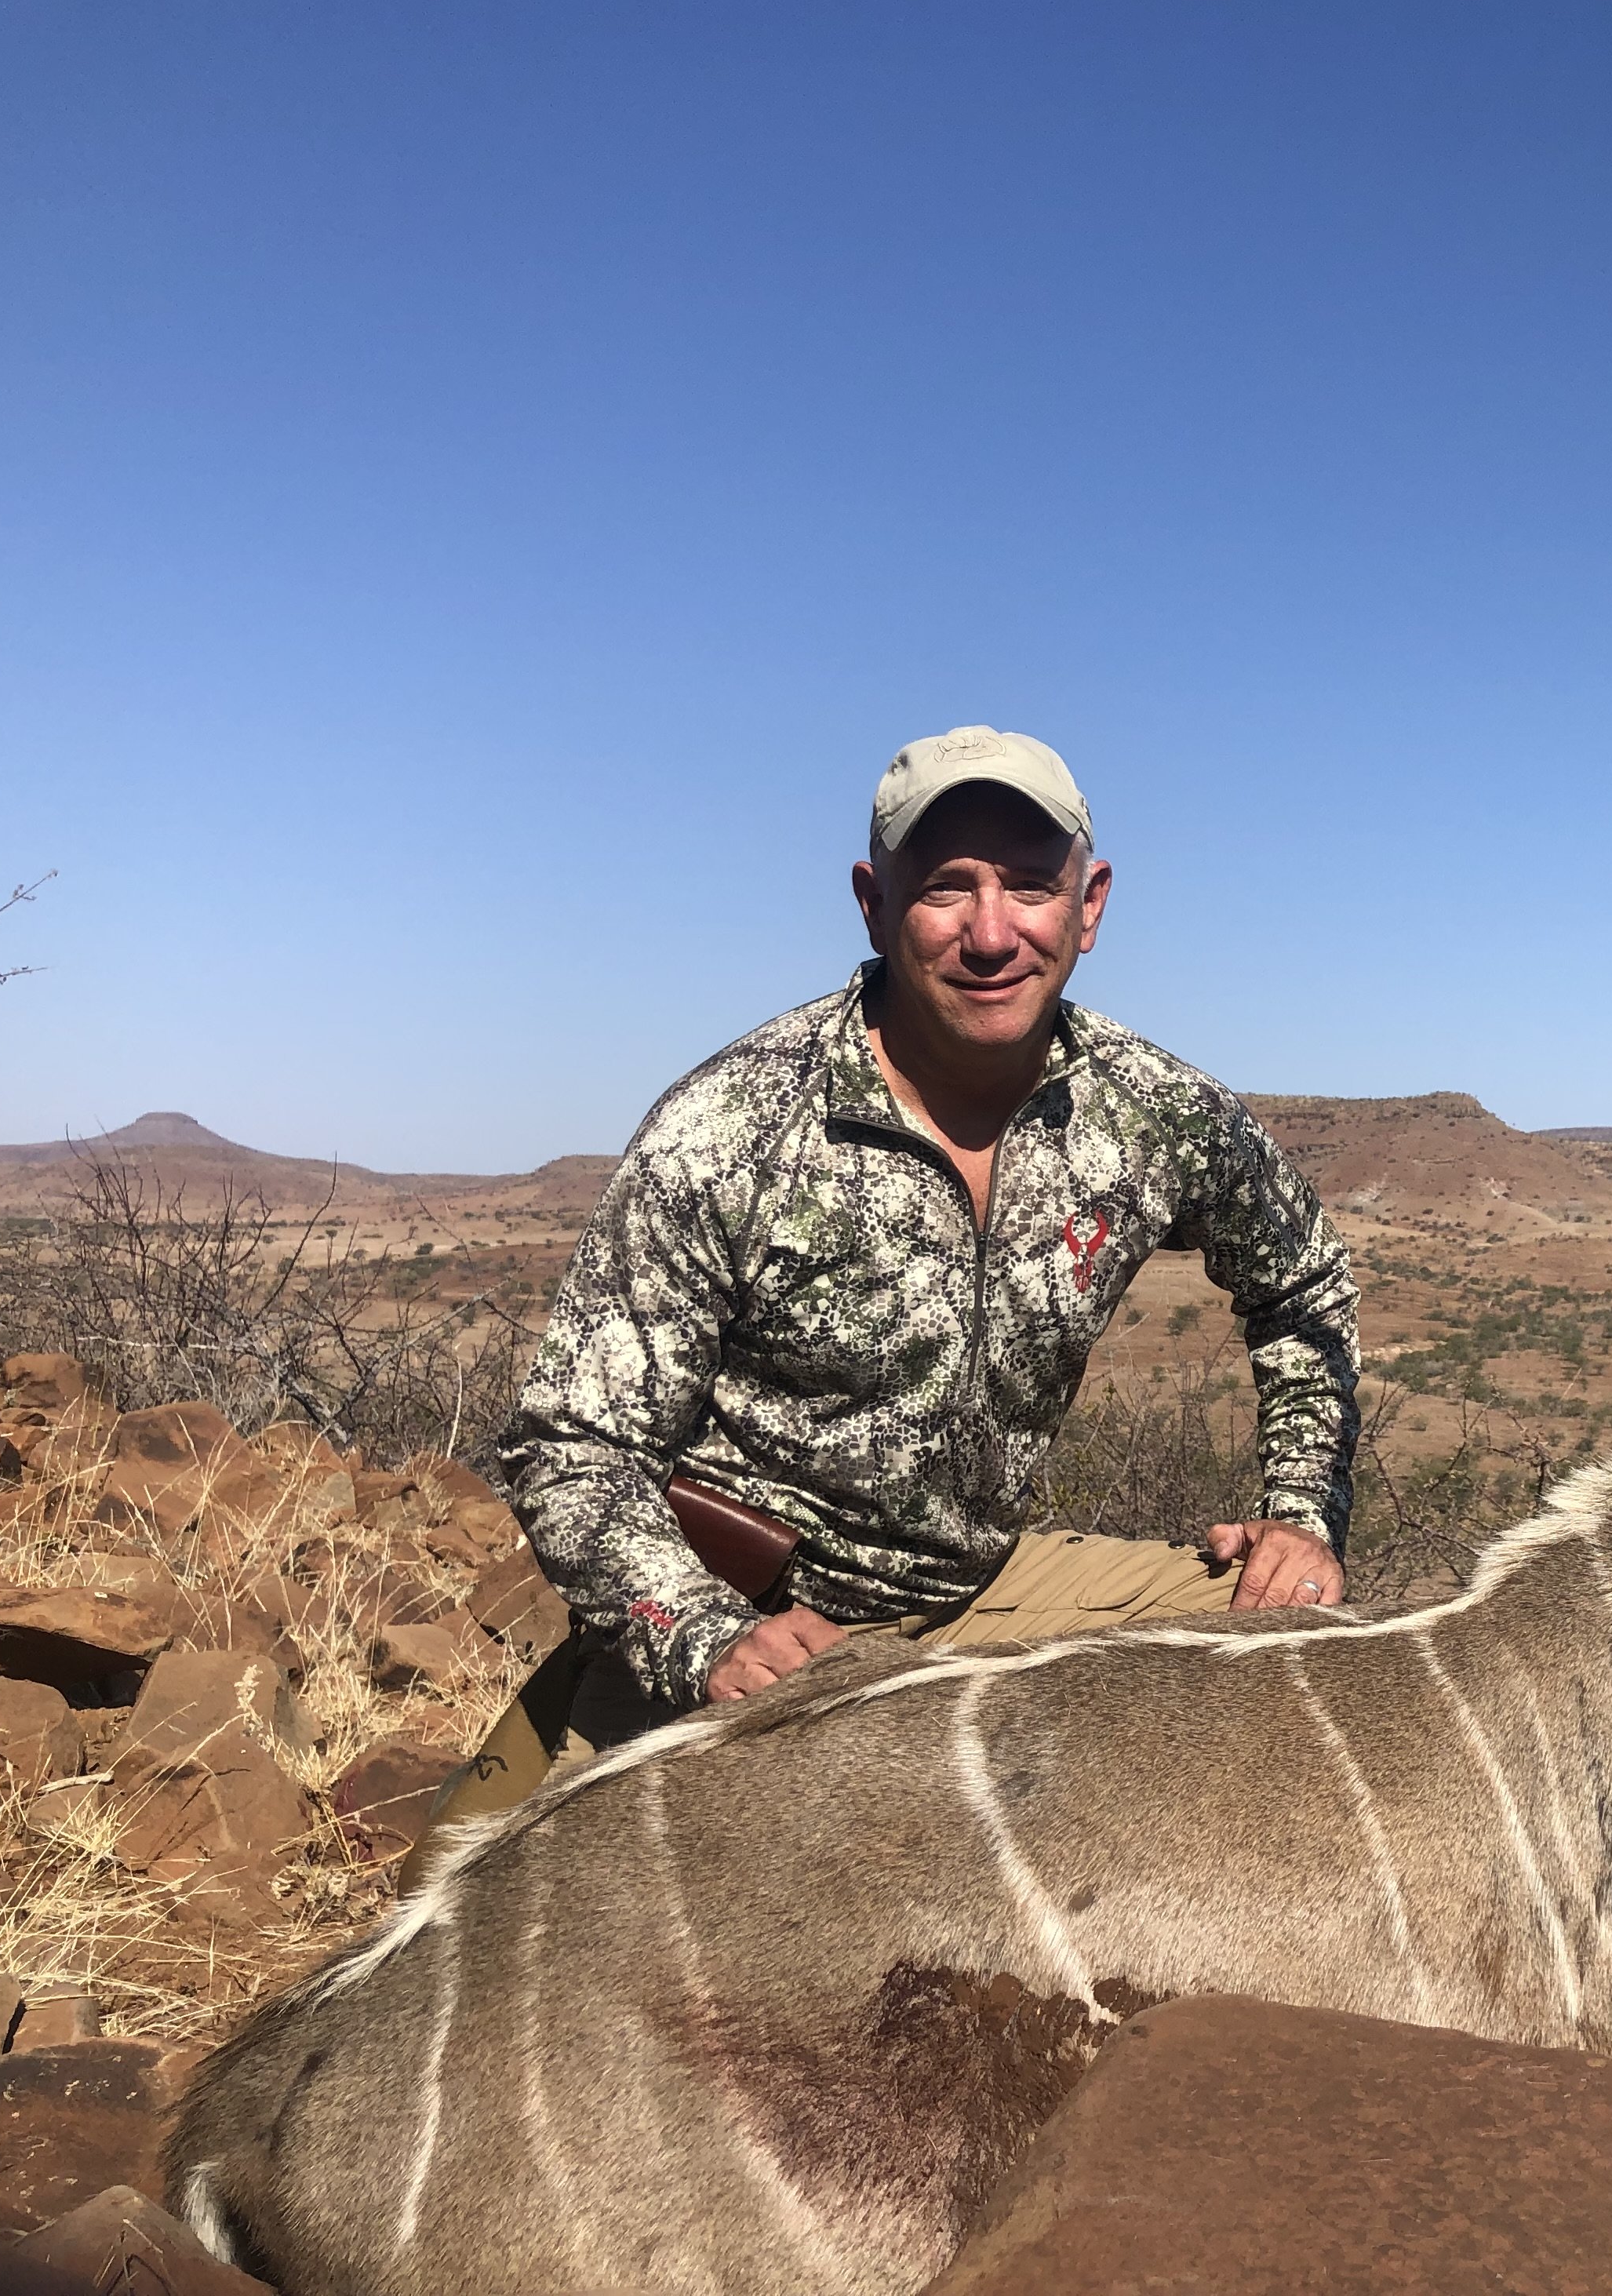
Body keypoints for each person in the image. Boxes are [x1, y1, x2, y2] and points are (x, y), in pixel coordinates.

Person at [431, 726, 1358, 1832]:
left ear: (1091, 905)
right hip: (758, 1623)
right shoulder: (731, 1123)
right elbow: (572, 1444)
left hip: (979, 1596)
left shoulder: (1157, 1115)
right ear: (874, 904)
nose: (990, 932)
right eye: (946, 889)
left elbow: (1304, 1286)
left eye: (1028, 886)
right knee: (463, 1916)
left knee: (1296, 1627)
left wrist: (1300, 1514)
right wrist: (705, 1636)